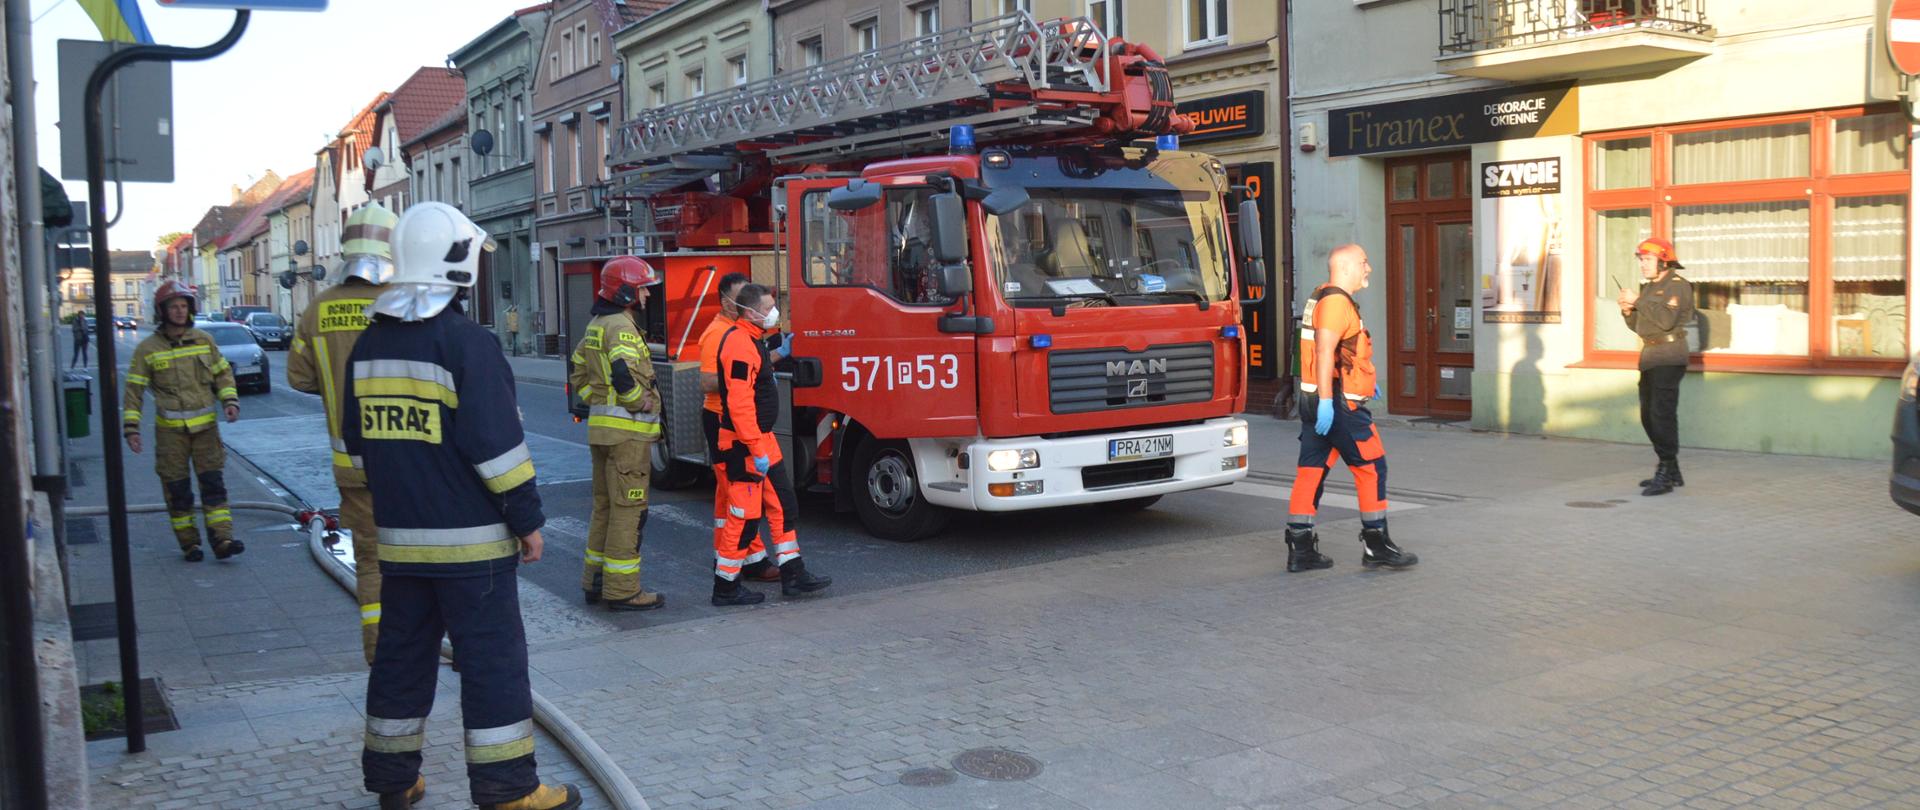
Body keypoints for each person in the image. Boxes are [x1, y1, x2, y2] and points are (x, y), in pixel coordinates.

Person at [342, 202, 579, 810]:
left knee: (400, 660)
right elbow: (497, 449)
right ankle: (508, 790)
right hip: (472, 549)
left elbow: (356, 447)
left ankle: (393, 780)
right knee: (493, 664)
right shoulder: (467, 343)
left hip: (400, 543)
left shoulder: (368, 346)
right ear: (457, 265)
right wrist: (527, 521)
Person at [287, 203, 398, 664]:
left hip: (351, 465)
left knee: (370, 562)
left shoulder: (319, 307)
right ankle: (423, 648)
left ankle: (381, 655)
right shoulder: (401, 300)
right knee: (417, 559)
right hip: (408, 461)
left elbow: (298, 377)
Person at [1284, 245, 1417, 572]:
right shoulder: (1336, 303)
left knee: (1311, 471)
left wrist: (1363, 382)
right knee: (1372, 467)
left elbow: (1338, 353)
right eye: (1363, 262)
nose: (1368, 268)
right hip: (1339, 404)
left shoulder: (1322, 297)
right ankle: (1376, 545)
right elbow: (1325, 352)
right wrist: (1328, 402)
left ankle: (1301, 549)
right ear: (1345, 267)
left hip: (1317, 400)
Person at [710, 284, 832, 605]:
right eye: (768, 308)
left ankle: (793, 573)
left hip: (762, 440)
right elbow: (739, 406)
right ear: (750, 312)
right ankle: (725, 586)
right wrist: (754, 448)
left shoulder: (753, 340)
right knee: (744, 517)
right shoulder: (738, 344)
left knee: (784, 505)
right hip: (745, 444)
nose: (773, 312)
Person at [570, 256, 667, 611]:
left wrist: (597, 400)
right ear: (626, 291)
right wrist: (638, 402)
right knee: (629, 511)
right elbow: (624, 373)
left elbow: (578, 369)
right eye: (642, 288)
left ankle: (595, 581)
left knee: (604, 508)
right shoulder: (622, 327)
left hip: (602, 434)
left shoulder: (597, 324)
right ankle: (623, 590)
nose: (647, 295)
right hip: (628, 438)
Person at [123, 280, 244, 562]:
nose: (179, 311)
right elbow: (134, 391)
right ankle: (190, 544)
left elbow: (222, 374)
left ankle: (223, 540)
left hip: (206, 431)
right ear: (162, 311)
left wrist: (230, 401)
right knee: (177, 489)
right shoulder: (148, 349)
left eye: (183, 305)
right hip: (170, 435)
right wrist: (131, 429)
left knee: (213, 485)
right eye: (173, 307)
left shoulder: (204, 341)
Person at [696, 272, 781, 584]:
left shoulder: (741, 332)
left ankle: (732, 558)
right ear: (726, 302)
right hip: (724, 421)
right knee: (742, 500)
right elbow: (707, 381)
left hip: (734, 422)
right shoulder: (718, 334)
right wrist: (744, 379)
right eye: (741, 296)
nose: (750, 300)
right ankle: (746, 565)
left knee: (730, 498)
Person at [1618, 237, 1693, 497]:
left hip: (1669, 355)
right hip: (1650, 355)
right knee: (1647, 415)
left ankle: (1666, 470)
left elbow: (1665, 320)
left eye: (1648, 260)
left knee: (1662, 414)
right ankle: (1671, 468)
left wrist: (1638, 301)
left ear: (1663, 262)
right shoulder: (1649, 288)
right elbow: (1642, 326)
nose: (1643, 264)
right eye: (1641, 260)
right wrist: (1628, 312)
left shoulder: (1677, 285)